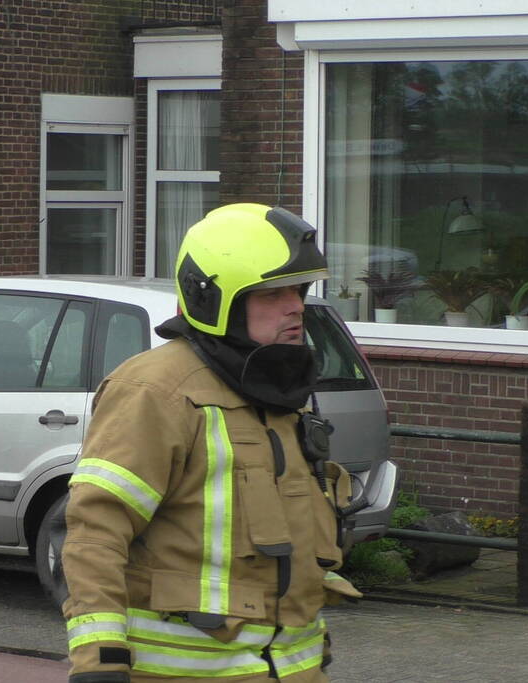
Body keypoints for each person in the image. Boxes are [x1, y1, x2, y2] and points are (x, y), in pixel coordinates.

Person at [61, 203, 360, 682]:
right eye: (273, 293)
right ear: (215, 299)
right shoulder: (157, 391)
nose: (296, 306)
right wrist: (100, 660)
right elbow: (96, 532)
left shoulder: (279, 392)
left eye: (298, 290)